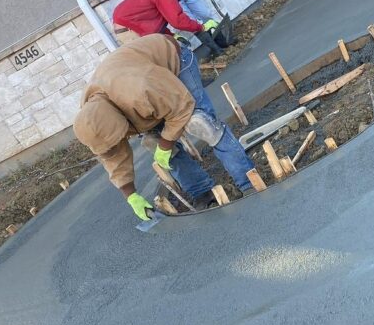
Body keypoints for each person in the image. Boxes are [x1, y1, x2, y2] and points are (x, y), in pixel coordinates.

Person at [73, 35, 254, 221]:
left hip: (174, 61)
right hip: (147, 90)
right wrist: (131, 196)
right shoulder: (93, 119)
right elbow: (112, 155)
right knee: (154, 143)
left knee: (202, 124)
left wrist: (166, 144)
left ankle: (248, 180)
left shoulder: (140, 88)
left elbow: (181, 106)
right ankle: (203, 192)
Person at [111, 0, 255, 202]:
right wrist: (202, 26)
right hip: (161, 59)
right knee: (205, 120)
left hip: (142, 63)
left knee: (156, 137)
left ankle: (201, 192)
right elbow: (177, 19)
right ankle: (248, 180)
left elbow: (155, 26)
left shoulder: (123, 73)